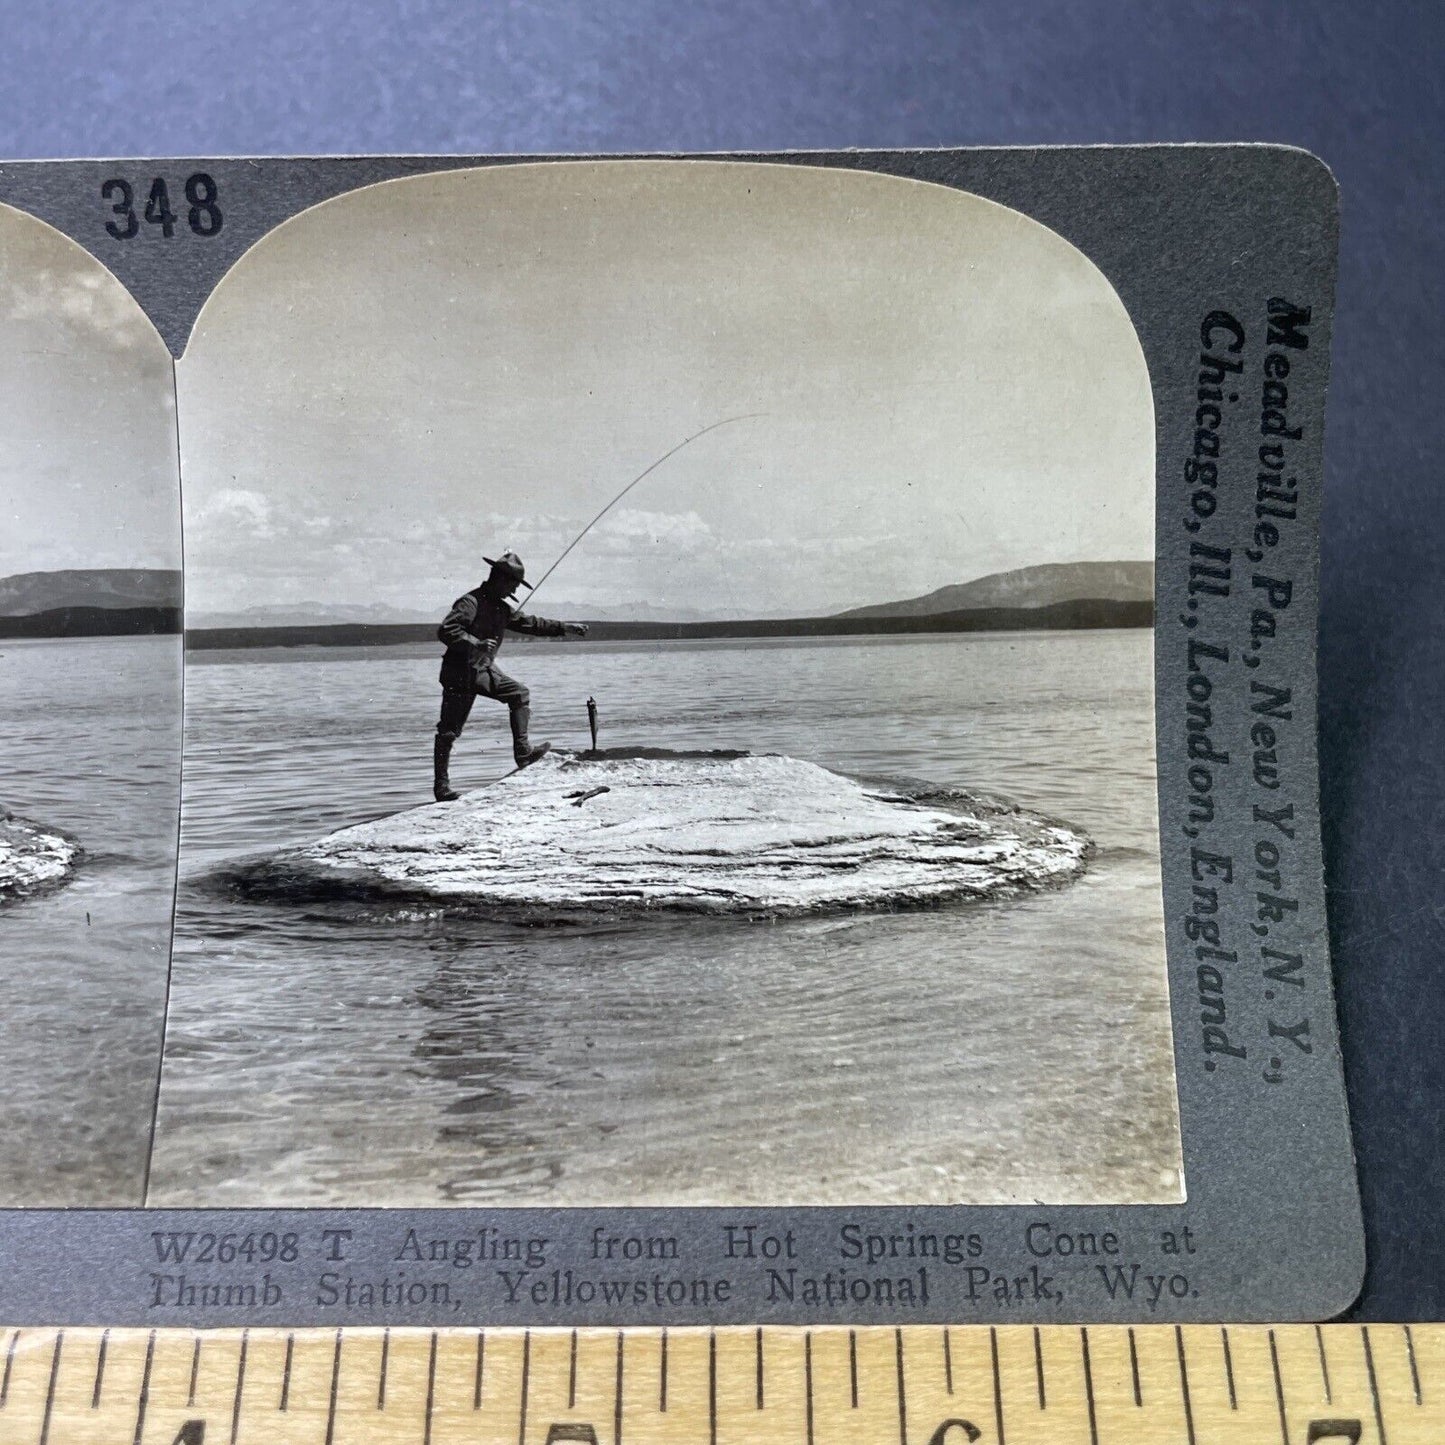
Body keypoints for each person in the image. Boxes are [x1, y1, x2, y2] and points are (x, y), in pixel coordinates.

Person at [432, 551, 589, 801]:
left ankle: (523, 754)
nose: (515, 589)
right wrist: (474, 642)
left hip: (483, 671)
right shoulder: (470, 602)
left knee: (519, 694)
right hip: (458, 673)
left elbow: (531, 623)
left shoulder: (502, 608)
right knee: (449, 731)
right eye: (514, 584)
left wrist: (565, 627)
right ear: (501, 579)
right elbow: (447, 630)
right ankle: (441, 788)